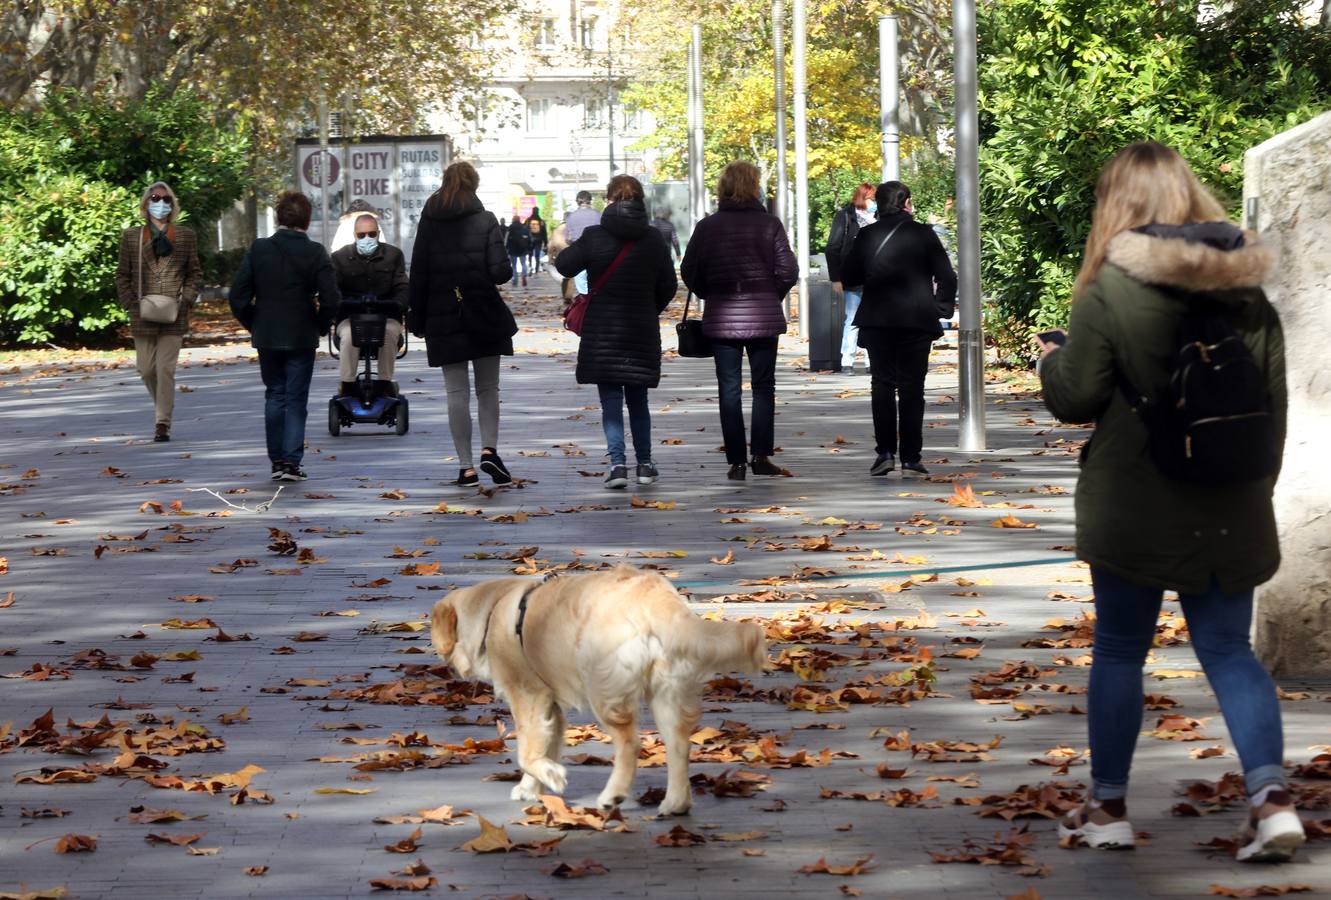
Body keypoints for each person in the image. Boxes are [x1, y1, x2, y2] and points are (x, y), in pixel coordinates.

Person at [1039, 141, 1298, 862]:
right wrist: (1252, 491)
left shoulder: (1111, 287)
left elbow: (1075, 396)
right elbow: (1272, 406)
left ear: (1115, 204)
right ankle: (1271, 799)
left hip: (1135, 499)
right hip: (1232, 495)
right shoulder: (1246, 290)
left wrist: (1046, 358)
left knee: (1120, 650)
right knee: (1225, 648)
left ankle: (1108, 808)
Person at [556, 175, 677, 489]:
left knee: (611, 401)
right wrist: (649, 309)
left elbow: (566, 265)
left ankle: (618, 464)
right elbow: (668, 285)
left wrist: (564, 241)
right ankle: (646, 465)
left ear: (609, 200)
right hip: (640, 328)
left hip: (603, 331)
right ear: (639, 201)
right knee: (638, 399)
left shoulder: (594, 236)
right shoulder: (652, 239)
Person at [681, 161, 798, 481]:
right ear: (755, 186)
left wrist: (711, 293)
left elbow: (689, 270)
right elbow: (788, 271)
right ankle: (761, 456)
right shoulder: (770, 225)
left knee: (728, 389)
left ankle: (736, 462)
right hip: (763, 315)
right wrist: (770, 295)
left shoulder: (707, 227)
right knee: (763, 387)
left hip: (722, 317)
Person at [407, 161, 517, 487]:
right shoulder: (485, 220)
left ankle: (466, 468)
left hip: (442, 315)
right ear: (474, 185)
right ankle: (489, 451)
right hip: (482, 311)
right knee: (488, 389)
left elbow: (420, 274)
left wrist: (416, 316)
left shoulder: (429, 222)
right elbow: (501, 273)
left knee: (456, 393)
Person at [840, 180, 956, 477]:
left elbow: (850, 273)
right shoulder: (924, 234)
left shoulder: (867, 235)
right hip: (916, 320)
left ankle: (885, 452)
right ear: (906, 203)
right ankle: (911, 456)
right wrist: (940, 309)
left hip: (878, 319)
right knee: (912, 388)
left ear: (879, 203)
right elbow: (947, 276)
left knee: (881, 384)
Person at [229, 191, 340, 481]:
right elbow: (331, 299)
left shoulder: (259, 249)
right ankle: (292, 462)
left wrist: (254, 323)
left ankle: (277, 460)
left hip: (267, 333)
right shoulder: (315, 252)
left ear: (279, 217)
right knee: (296, 398)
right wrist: (319, 324)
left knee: (275, 394)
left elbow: (238, 296)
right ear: (307, 218)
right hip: (301, 333)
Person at [115, 181, 202, 443]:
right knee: (146, 369)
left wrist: (185, 301)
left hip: (173, 312)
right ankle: (161, 407)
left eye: (166, 199)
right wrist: (131, 303)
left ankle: (162, 422)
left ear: (173, 205)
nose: (161, 202)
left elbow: (194, 273)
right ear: (145, 203)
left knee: (165, 369)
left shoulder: (185, 235)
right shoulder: (132, 236)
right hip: (142, 311)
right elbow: (122, 274)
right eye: (155, 197)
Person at [329, 211, 409, 396]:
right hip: (351, 317)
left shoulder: (393, 255)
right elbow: (333, 292)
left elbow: (403, 287)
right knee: (349, 335)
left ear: (378, 234)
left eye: (372, 234)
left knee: (388, 333)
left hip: (385, 315)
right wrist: (343, 304)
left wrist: (398, 304)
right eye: (362, 235)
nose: (367, 238)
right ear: (354, 236)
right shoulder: (339, 258)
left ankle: (384, 382)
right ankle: (347, 384)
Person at [823, 183, 877, 371]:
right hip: (853, 277)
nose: (874, 203)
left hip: (875, 277)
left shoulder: (879, 217)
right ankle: (848, 360)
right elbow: (832, 248)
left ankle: (872, 360)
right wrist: (836, 278)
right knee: (853, 319)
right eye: (872, 199)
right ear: (863, 198)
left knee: (874, 320)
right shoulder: (846, 216)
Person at [564, 190, 602, 295]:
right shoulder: (598, 215)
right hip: (597, 251)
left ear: (577, 201)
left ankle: (585, 302)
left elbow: (567, 238)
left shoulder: (571, 217)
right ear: (590, 200)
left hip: (579, 252)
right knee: (596, 280)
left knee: (581, 282)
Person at [506, 213, 531, 287]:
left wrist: (506, 247)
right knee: (523, 263)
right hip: (522, 249)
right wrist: (528, 247)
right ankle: (524, 275)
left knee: (514, 265)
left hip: (512, 249)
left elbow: (506, 238)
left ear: (513, 220)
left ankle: (515, 279)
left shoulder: (510, 227)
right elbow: (529, 238)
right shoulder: (524, 227)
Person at [525, 209, 548, 273]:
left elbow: (524, 229)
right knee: (537, 255)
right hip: (539, 240)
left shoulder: (528, 220)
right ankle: (536, 269)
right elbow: (544, 232)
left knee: (530, 254)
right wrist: (545, 242)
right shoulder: (541, 221)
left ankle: (530, 267)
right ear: (538, 212)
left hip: (530, 240)